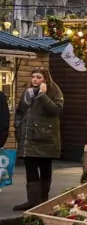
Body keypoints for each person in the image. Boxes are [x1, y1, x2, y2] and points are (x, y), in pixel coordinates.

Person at [13, 67, 63, 211]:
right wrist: (18, 126)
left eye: (39, 77)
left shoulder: (54, 91)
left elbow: (56, 111)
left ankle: (43, 200)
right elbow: (20, 112)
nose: (35, 79)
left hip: (46, 138)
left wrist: (42, 95)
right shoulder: (27, 92)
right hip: (29, 138)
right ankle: (32, 201)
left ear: (45, 79)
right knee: (30, 169)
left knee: (45, 168)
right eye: (33, 76)